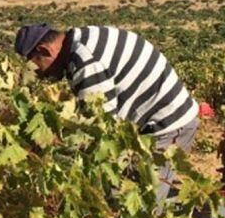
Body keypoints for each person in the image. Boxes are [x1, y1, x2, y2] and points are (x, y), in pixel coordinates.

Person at [14, 23, 198, 197]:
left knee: (143, 206)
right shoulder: (80, 39)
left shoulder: (84, 61)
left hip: (168, 125)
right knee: (149, 193)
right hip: (156, 123)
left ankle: (216, 217)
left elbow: (103, 128)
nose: (40, 76)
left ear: (44, 50)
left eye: (36, 67)